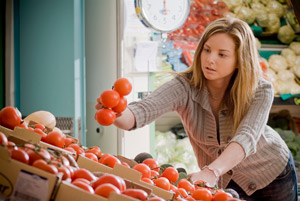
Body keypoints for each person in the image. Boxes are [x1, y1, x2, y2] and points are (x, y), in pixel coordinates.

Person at [95, 17, 298, 200]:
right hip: (225, 181)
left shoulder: (260, 89)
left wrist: (211, 172)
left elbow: (247, 137)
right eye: (207, 50)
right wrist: (115, 112)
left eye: (222, 54)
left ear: (239, 61)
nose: (210, 59)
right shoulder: (184, 87)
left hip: (273, 174)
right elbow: (142, 111)